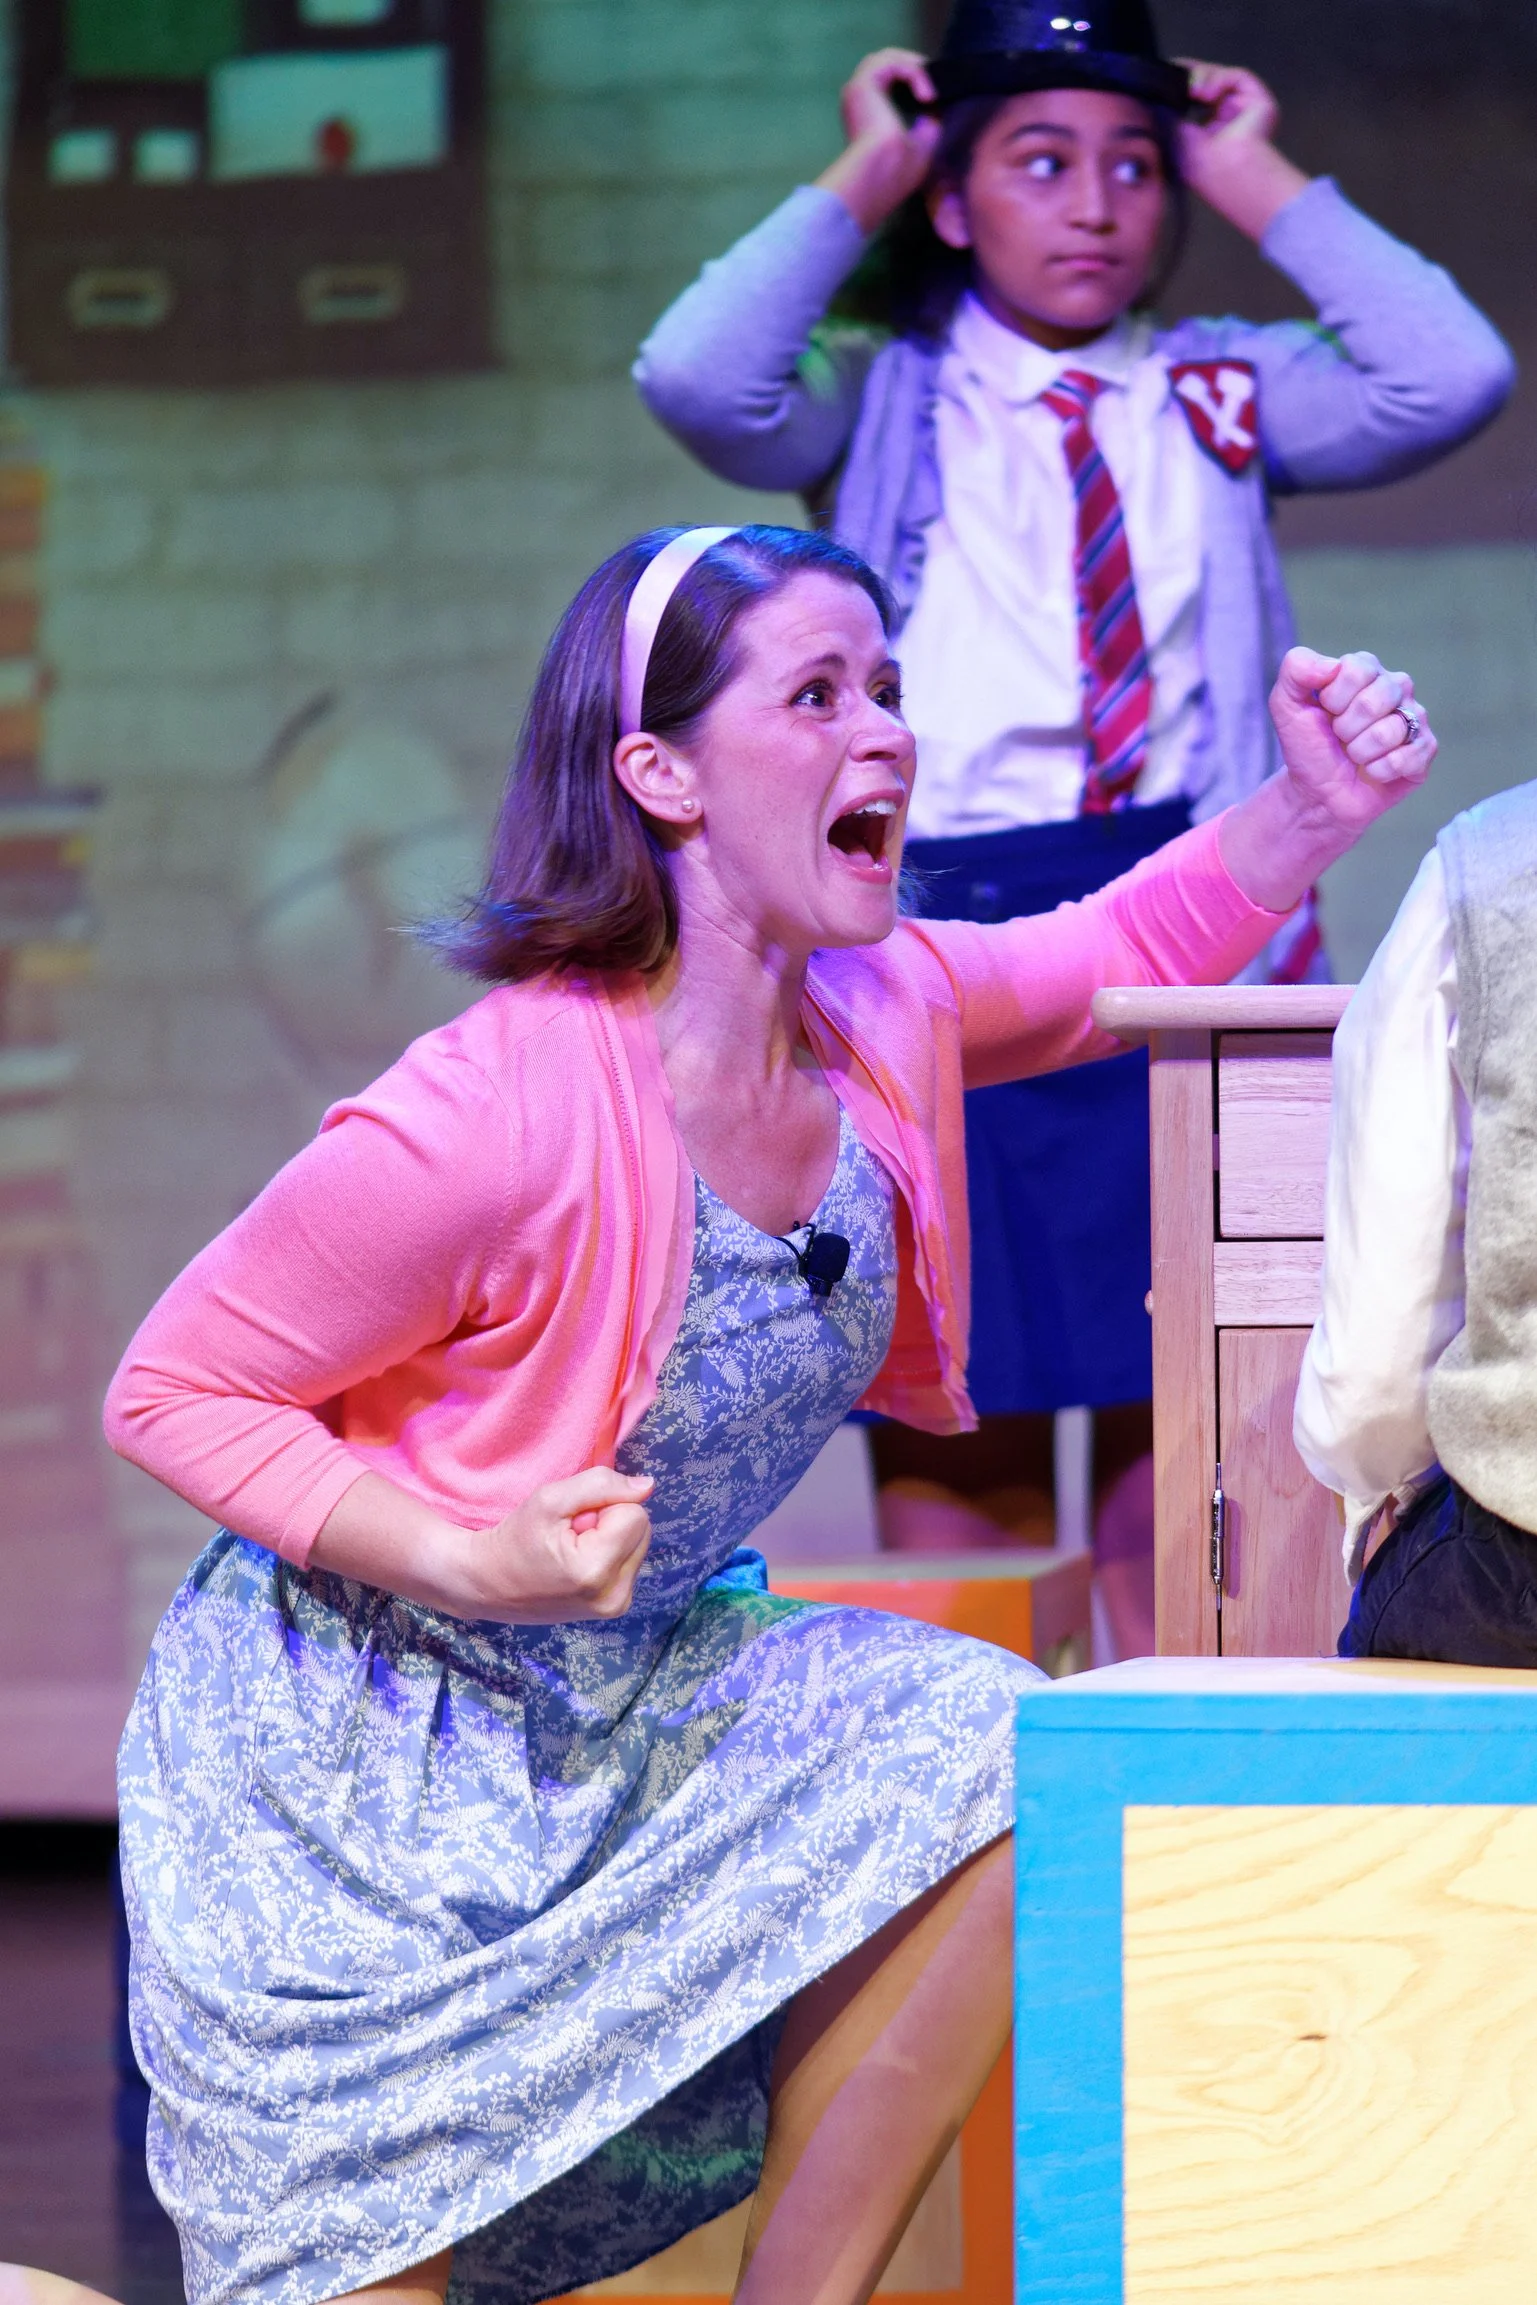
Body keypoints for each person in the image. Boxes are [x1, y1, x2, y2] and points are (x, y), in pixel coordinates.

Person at [88, 524, 1430, 2305]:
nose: (881, 732)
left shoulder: (879, 1010)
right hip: (359, 1775)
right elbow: (172, 1384)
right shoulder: (486, 1115)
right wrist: (464, 1554)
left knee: (1001, 1743)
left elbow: (1110, 945)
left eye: (885, 688)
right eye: (815, 696)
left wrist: (1310, 808)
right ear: (658, 774)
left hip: (629, 1687)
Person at [633, 0, 1513, 1652]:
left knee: (1171, 1433)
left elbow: (1446, 371)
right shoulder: (886, 394)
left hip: (1184, 911)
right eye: (1039, 164)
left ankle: (1150, 1825)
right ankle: (978, 1834)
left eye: (1130, 168)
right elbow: (695, 373)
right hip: (944, 929)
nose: (1097, 205)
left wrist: (1253, 177)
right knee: (952, 1411)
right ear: (957, 202)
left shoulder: (1218, 389)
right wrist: (869, 164)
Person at [1296, 781, 1537, 1667]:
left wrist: (1373, 1485)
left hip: (1523, 1560)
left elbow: (1377, 1351)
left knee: (1391, 1606)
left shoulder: (1490, 858)